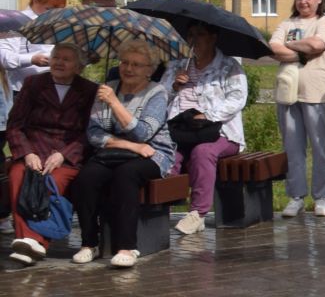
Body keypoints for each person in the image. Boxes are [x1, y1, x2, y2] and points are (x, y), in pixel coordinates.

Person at [68, 40, 176, 269]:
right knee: (86, 178)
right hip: (116, 152)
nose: (128, 68)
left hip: (153, 154)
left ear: (150, 69)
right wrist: (129, 147)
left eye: (136, 65)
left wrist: (115, 103)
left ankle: (127, 246)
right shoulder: (108, 88)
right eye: (125, 62)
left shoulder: (157, 92)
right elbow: (94, 133)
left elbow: (142, 133)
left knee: (125, 176)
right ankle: (89, 243)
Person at [5, 43, 96, 266]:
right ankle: (28, 239)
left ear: (79, 66)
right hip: (34, 149)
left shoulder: (90, 90)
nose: (59, 62)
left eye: (66, 59)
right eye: (56, 57)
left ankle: (33, 242)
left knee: (51, 182)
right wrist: (27, 153)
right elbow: (15, 125)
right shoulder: (33, 83)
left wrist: (63, 155)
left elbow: (90, 132)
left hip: (66, 156)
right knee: (19, 178)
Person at [163, 23, 248, 235]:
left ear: (213, 37)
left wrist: (208, 115)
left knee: (202, 152)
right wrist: (173, 86)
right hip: (181, 129)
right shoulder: (178, 66)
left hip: (219, 132)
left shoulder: (229, 67)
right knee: (167, 155)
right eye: (190, 35)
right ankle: (161, 207)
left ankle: (198, 213)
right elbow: (159, 96)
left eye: (200, 34)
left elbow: (237, 98)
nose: (194, 40)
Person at [268, 0, 325, 218]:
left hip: (318, 93)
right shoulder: (287, 22)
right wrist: (302, 53)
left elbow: (318, 44)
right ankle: (296, 196)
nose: (303, 2)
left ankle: (322, 197)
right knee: (293, 148)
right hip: (288, 94)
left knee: (321, 147)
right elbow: (273, 48)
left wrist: (292, 45)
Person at [0, 0, 64, 120]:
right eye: (48, 8)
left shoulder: (57, 22)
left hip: (51, 89)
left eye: (57, 10)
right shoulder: (15, 22)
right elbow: (4, 58)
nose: (52, 13)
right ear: (35, 1)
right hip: (22, 91)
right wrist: (32, 59)